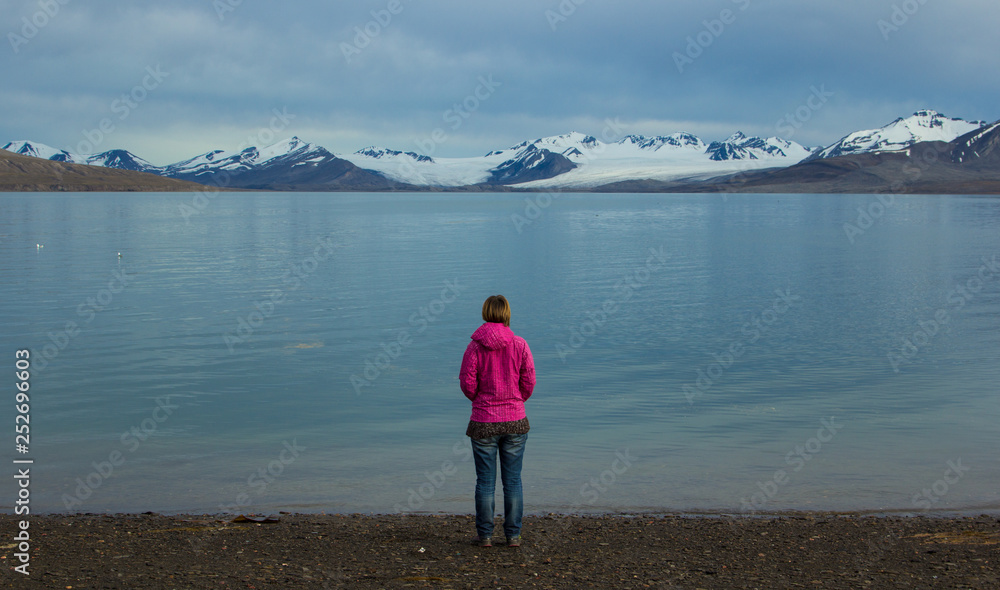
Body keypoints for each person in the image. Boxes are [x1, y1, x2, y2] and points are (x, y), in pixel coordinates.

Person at [459, 295, 535, 548]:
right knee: (513, 481)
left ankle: (486, 536)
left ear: (485, 313)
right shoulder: (520, 344)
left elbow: (467, 383)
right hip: (514, 419)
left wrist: (480, 400)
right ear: (506, 314)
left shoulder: (474, 347)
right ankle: (513, 536)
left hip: (483, 421)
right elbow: (529, 382)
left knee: (485, 482)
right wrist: (516, 401)